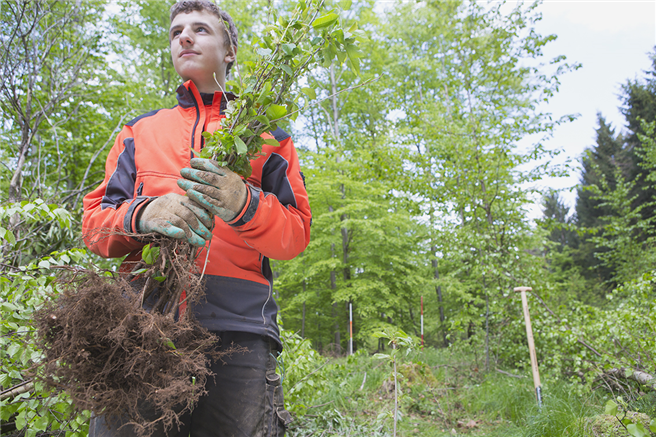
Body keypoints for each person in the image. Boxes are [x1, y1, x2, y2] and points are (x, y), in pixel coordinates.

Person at [82, 1, 311, 436]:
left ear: (229, 52)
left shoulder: (268, 137)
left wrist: (244, 201)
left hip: (238, 333)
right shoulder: (139, 133)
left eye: (200, 29)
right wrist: (144, 213)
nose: (184, 37)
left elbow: (295, 236)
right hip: (139, 324)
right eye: (176, 32)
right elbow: (95, 223)